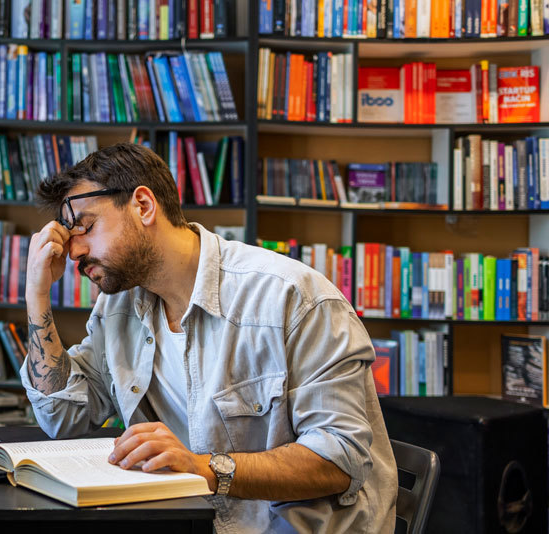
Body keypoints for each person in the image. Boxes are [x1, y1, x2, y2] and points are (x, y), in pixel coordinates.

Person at [21, 143, 397, 533]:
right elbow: (62, 417)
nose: (75, 250)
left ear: (144, 205)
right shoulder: (118, 310)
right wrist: (37, 296)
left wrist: (203, 468)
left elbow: (339, 459)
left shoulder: (292, 297)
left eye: (85, 226)